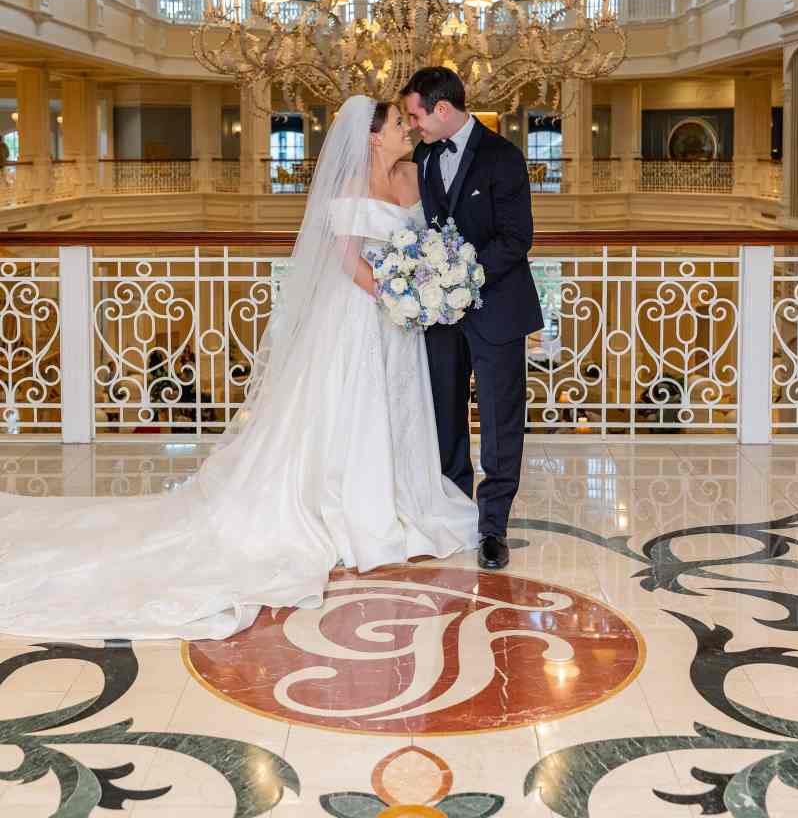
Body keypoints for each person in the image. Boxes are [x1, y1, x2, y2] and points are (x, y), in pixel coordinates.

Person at [0, 96, 477, 641]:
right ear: (372, 137)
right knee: (352, 404)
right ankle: (352, 506)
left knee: (397, 407)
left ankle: (402, 498)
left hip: (399, 319)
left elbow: (423, 240)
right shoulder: (349, 188)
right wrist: (395, 297)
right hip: (359, 315)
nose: (406, 131)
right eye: (397, 124)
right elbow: (348, 260)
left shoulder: (415, 175)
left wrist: (418, 289)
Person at [402, 67, 543, 571]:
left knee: (502, 424)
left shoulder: (503, 156)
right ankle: (456, 512)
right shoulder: (421, 157)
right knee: (444, 415)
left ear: (442, 110)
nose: (413, 125)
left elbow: (516, 237)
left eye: (416, 115)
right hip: (439, 316)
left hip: (496, 309)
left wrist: (464, 276)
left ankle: (492, 528)